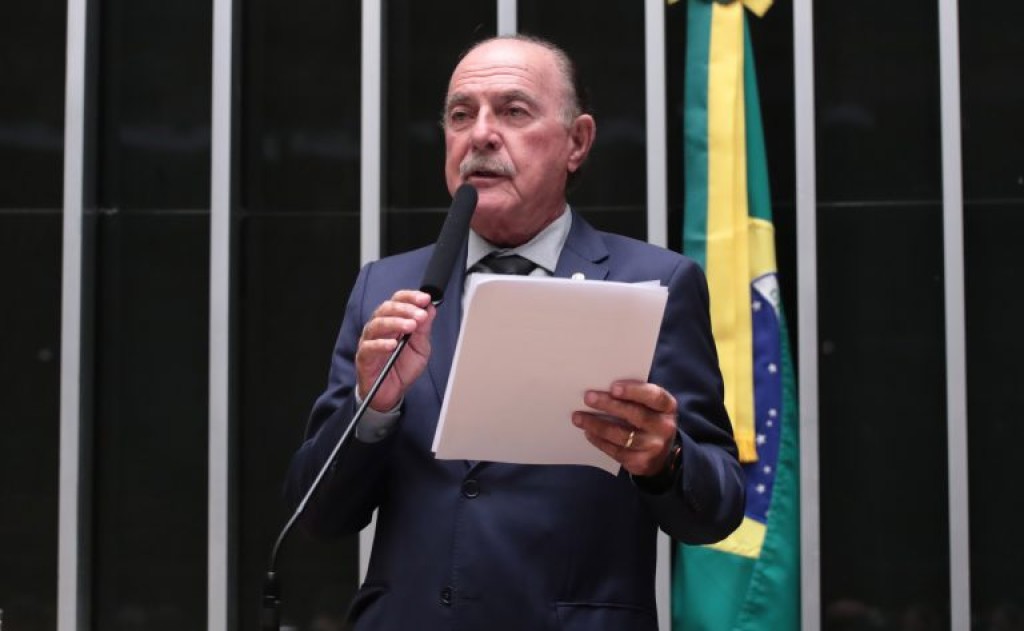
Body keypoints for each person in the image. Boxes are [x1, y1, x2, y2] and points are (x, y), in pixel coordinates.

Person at [285, 34, 745, 631]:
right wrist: (374, 408)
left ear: (577, 142)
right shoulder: (387, 288)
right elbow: (318, 516)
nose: (480, 134)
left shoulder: (656, 282)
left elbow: (718, 510)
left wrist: (665, 458)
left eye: (513, 111)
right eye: (460, 115)